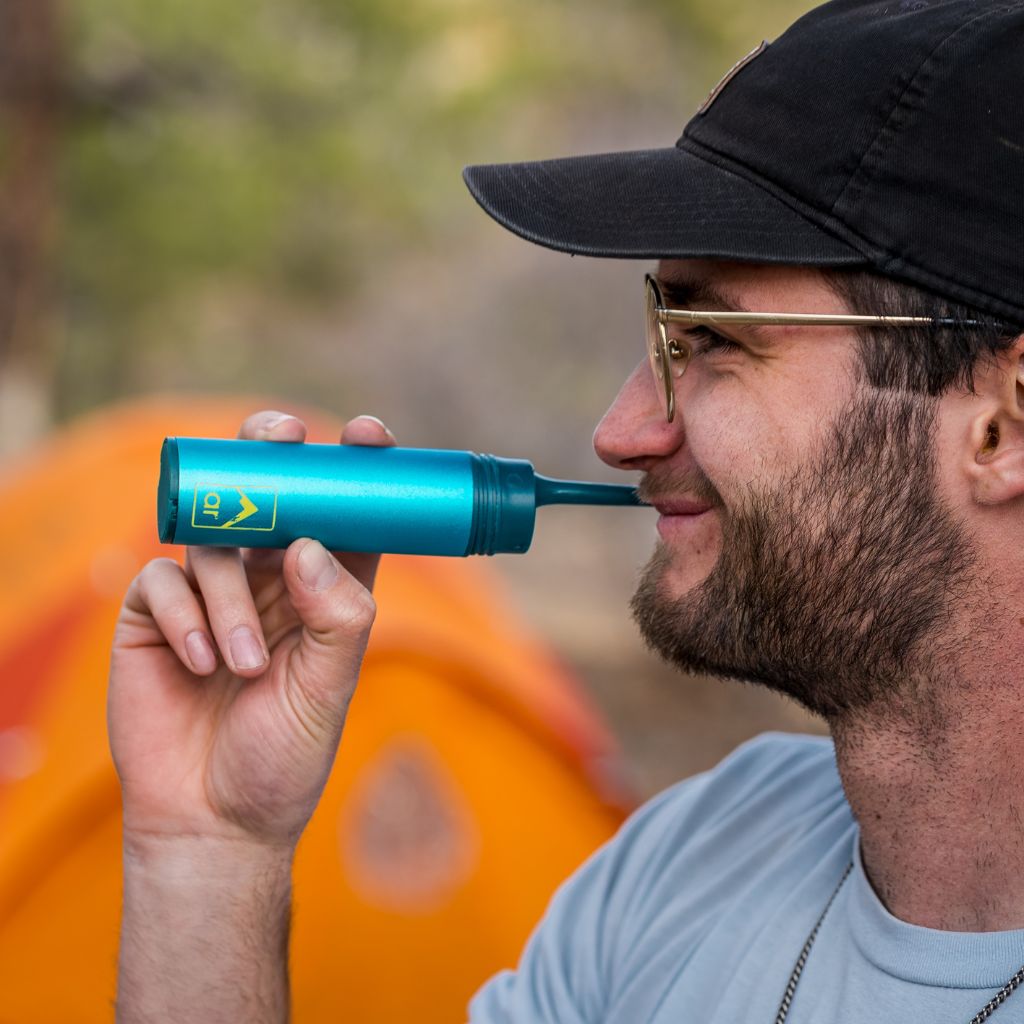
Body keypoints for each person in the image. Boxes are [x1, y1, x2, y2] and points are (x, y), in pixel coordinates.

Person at [108, 0, 1024, 1020]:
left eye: (710, 341)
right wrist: (208, 855)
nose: (622, 430)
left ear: (1002, 425)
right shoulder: (687, 861)